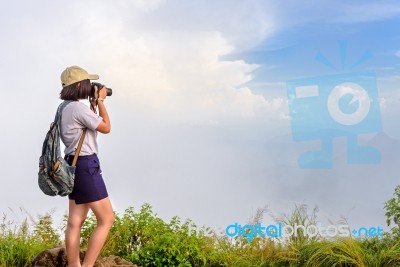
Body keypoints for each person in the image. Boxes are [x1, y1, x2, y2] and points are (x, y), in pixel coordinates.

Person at [59, 65, 114, 267]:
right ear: (80, 85)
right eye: (88, 82)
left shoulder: (64, 108)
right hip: (86, 166)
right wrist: (100, 100)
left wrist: (93, 103)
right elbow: (106, 127)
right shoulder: (77, 108)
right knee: (107, 219)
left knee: (75, 222)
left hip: (72, 164)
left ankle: (74, 265)